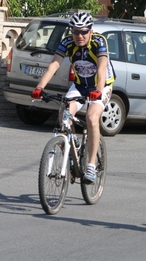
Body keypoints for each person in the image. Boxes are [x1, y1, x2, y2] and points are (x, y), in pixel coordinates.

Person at [31, 12, 115, 184]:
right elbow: (54, 64)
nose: (79, 36)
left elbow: (101, 68)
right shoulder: (67, 43)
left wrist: (98, 91)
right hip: (79, 86)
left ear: (90, 31)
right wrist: (40, 87)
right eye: (75, 32)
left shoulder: (99, 42)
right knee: (64, 116)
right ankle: (72, 147)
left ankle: (91, 165)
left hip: (102, 86)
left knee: (92, 117)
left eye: (83, 32)